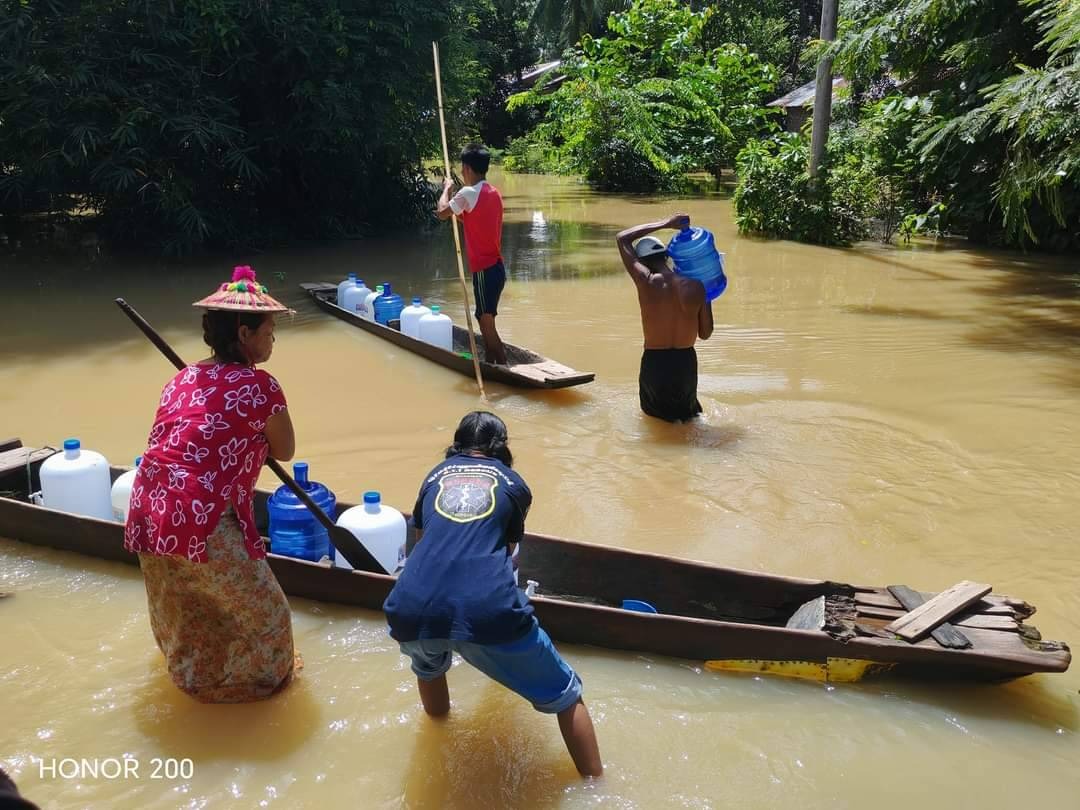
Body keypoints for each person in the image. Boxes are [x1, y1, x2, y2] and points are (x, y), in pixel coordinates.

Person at [383, 412, 603, 777]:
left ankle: (439, 739)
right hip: (486, 609)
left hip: (409, 605)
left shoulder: (434, 477)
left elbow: (423, 545)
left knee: (429, 665)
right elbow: (509, 551)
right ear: (502, 447)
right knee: (567, 694)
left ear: (456, 444)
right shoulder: (515, 485)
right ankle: (597, 790)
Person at [124, 265, 298, 703]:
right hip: (201, 519)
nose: (273, 340)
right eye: (270, 331)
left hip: (148, 509)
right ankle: (267, 693)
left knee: (188, 613)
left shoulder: (181, 380)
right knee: (269, 616)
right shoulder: (261, 386)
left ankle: (198, 691)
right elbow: (285, 449)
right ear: (244, 333)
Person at [616, 213, 714, 422]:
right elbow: (705, 333)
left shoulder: (646, 281)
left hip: (656, 362)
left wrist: (666, 224)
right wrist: (705, 294)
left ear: (643, 262)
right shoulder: (697, 286)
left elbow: (622, 238)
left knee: (656, 422)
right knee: (688, 419)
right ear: (666, 256)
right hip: (686, 363)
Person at [437, 144, 509, 365]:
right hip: (496, 269)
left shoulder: (468, 192)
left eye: (461, 168)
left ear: (467, 168)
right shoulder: (493, 193)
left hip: (485, 271)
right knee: (484, 319)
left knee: (486, 325)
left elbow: (441, 213)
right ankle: (491, 364)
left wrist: (447, 188)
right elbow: (471, 220)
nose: (460, 173)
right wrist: (456, 208)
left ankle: (504, 367)